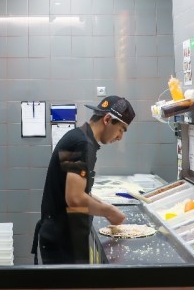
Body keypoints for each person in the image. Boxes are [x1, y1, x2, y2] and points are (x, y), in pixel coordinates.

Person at [32, 95, 136, 264]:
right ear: (107, 119)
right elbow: (75, 198)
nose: (120, 137)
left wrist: (104, 205)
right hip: (62, 243)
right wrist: (109, 212)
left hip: (60, 237)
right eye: (121, 129)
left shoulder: (78, 136)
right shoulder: (83, 144)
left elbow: (80, 191)